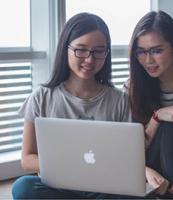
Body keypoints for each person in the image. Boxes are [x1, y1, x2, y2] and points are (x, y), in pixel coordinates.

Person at [12, 12, 134, 199]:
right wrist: (71, 164)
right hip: (58, 187)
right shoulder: (41, 97)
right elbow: (28, 159)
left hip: (104, 188)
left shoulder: (119, 100)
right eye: (81, 49)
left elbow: (125, 157)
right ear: (65, 49)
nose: (89, 59)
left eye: (99, 51)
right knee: (23, 187)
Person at [126, 10, 173, 199]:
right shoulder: (133, 87)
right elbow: (132, 148)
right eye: (141, 52)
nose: (148, 60)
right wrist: (157, 117)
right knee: (169, 125)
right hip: (147, 171)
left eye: (157, 50)